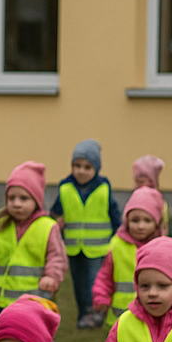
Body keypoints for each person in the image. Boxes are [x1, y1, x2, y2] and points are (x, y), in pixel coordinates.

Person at [50, 140, 121, 329]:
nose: (81, 171)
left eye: (87, 167)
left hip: (98, 247)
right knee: (79, 283)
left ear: (96, 168)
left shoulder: (104, 188)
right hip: (73, 247)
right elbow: (55, 211)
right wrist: (55, 223)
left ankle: (96, 314)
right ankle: (83, 313)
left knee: (94, 282)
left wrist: (118, 236)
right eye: (77, 166)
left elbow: (114, 215)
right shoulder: (65, 187)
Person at [0, 160, 64, 314]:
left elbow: (56, 257)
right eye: (11, 198)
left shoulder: (47, 227)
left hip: (36, 300)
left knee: (32, 338)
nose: (17, 204)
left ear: (36, 200)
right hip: (2, 301)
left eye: (24, 198)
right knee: (0, 337)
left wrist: (51, 277)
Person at [92, 186, 166, 326]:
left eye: (147, 220)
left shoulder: (163, 246)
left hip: (153, 317)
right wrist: (101, 296)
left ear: (156, 222)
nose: (140, 226)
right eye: (135, 220)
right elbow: (105, 276)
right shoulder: (117, 245)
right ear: (126, 221)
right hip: (121, 318)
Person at [131, 154, 172, 226]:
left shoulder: (159, 202)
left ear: (152, 182)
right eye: (136, 182)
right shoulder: (134, 198)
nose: (137, 186)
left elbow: (163, 226)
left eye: (141, 182)